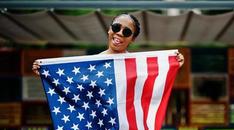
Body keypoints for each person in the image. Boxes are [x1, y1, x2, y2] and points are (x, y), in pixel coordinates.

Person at [32, 13, 184, 74]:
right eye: (116, 27)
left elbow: (153, 88)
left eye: (126, 32)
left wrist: (174, 63)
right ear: (109, 29)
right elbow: (73, 89)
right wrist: (46, 72)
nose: (119, 33)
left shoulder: (138, 66)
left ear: (132, 39)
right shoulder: (92, 63)